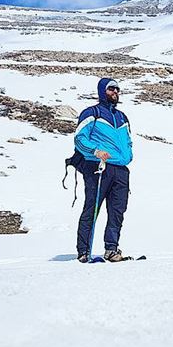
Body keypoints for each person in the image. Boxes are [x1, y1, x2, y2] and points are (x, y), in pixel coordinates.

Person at [74, 77, 133, 262]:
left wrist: (129, 154)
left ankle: (111, 249)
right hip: (98, 166)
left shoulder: (122, 117)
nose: (115, 92)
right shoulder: (92, 113)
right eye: (111, 89)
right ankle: (84, 251)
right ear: (102, 91)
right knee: (92, 208)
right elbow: (79, 138)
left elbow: (128, 140)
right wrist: (95, 151)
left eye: (117, 89)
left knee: (117, 211)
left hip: (121, 169)